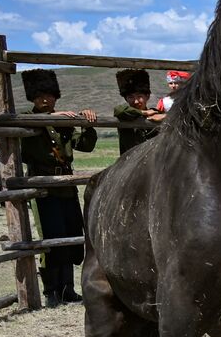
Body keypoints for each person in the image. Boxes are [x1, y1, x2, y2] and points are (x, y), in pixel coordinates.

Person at [19, 68, 97, 306]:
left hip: (66, 185)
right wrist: (52, 118)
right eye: (40, 95)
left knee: (72, 235)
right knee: (51, 239)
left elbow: (83, 146)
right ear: (32, 98)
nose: (45, 99)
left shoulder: (63, 122)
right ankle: (51, 291)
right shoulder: (25, 119)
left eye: (50, 94)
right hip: (43, 188)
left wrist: (87, 124)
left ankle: (68, 290)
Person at [112, 69, 165, 156]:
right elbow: (118, 110)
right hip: (129, 163)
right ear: (126, 99)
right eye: (131, 97)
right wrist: (144, 113)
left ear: (147, 96)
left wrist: (166, 116)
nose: (136, 101)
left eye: (139, 96)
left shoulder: (157, 114)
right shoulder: (123, 114)